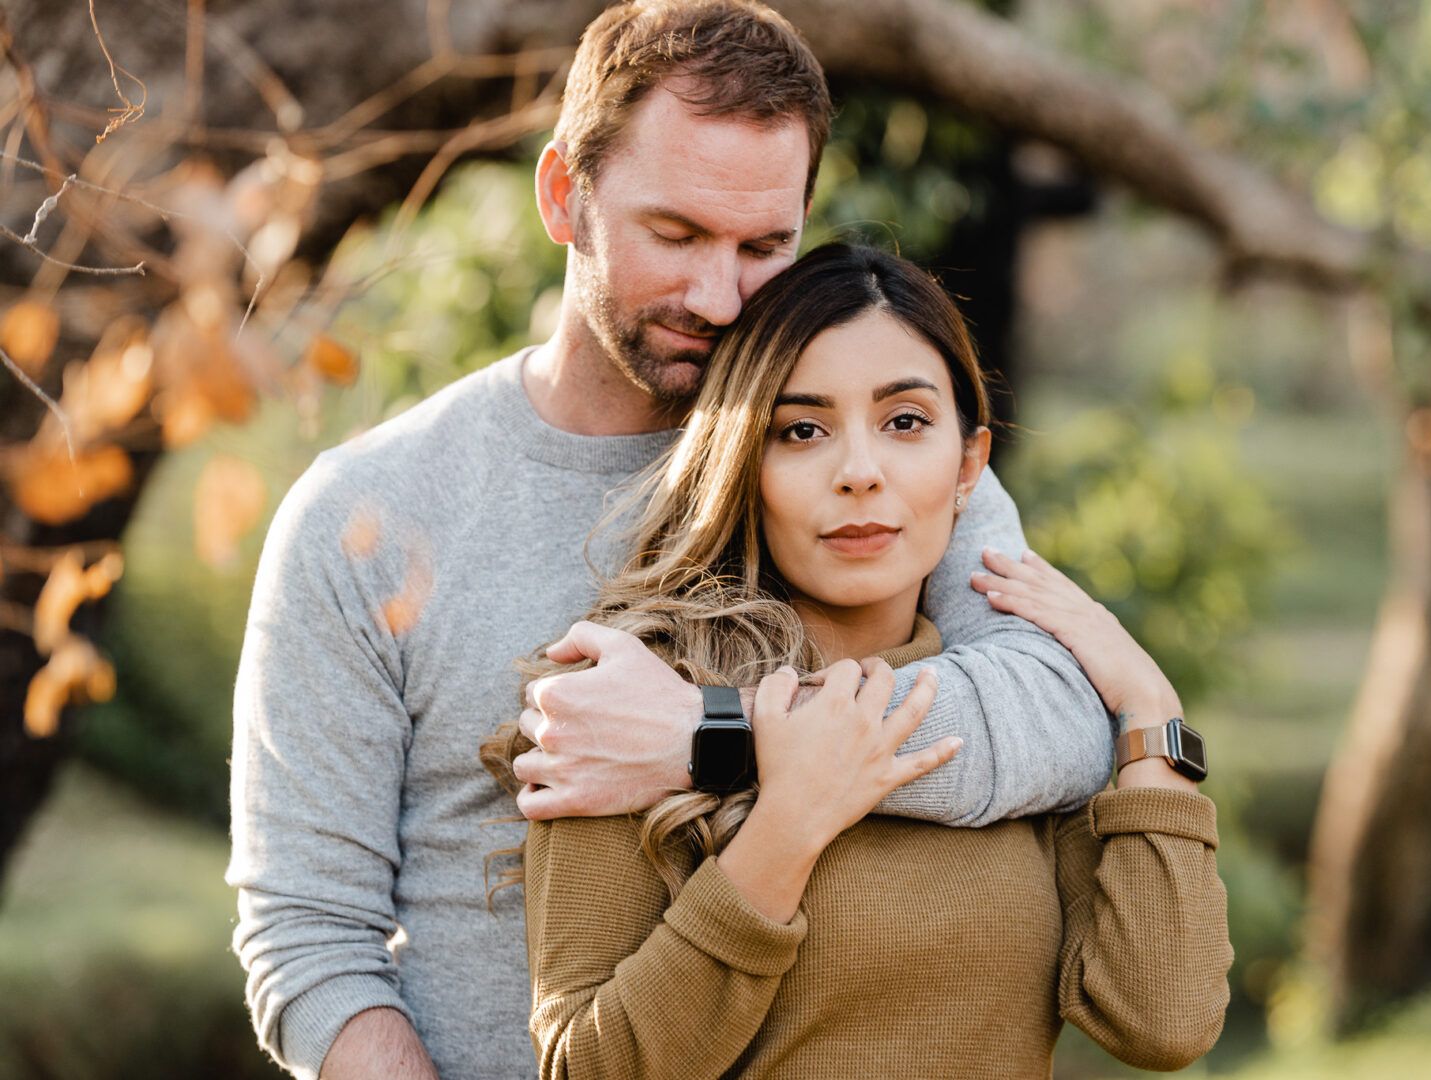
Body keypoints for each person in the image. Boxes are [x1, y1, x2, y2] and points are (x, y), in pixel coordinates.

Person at [228, 3, 1113, 1078]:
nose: (719, 295)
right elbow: (309, 935)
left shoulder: (860, 466)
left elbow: (1060, 720)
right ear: (565, 195)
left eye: (763, 245)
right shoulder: (364, 516)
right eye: (676, 234)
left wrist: (712, 737)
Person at [483, 243, 1232, 1078]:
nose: (860, 474)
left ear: (969, 467)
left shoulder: (1020, 719)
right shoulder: (642, 701)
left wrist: (1148, 707)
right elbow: (587, 1069)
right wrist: (786, 828)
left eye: (905, 422)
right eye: (802, 431)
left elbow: (1163, 1021)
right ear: (742, 465)